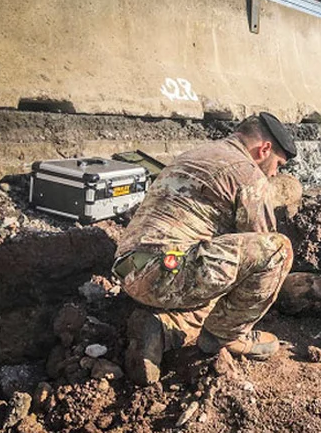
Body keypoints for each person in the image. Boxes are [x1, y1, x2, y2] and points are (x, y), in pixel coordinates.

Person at [112, 113, 296, 385]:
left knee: (214, 276)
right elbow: (262, 241)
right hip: (169, 270)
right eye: (278, 165)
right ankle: (227, 336)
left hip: (129, 268)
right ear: (264, 149)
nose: (274, 173)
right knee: (278, 250)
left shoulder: (196, 154)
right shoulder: (249, 175)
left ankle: (163, 331)